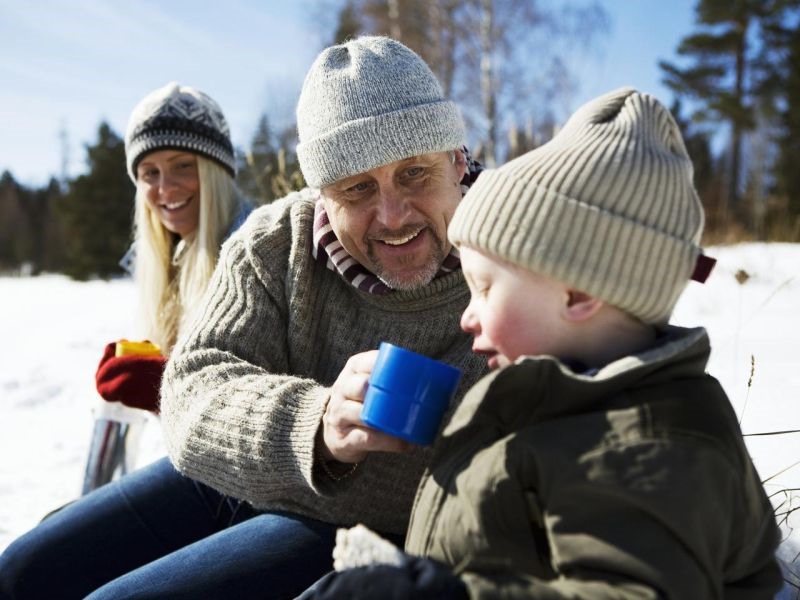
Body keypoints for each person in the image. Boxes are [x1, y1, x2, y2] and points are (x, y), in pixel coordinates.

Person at [0, 37, 488, 599]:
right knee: (25, 570)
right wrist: (316, 421)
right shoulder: (274, 244)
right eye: (356, 187)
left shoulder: (512, 255)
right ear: (320, 195)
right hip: (244, 477)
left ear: (456, 159)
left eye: (414, 174)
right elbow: (191, 387)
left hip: (367, 529)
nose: (392, 214)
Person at [302, 88, 784, 599]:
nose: (467, 315)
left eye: (485, 288)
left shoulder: (644, 446)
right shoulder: (561, 399)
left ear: (577, 292)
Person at [92, 81, 251, 415]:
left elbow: (256, 391)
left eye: (183, 165)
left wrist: (162, 384)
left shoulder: (255, 254)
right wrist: (141, 363)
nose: (165, 188)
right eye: (150, 172)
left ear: (215, 172)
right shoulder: (164, 256)